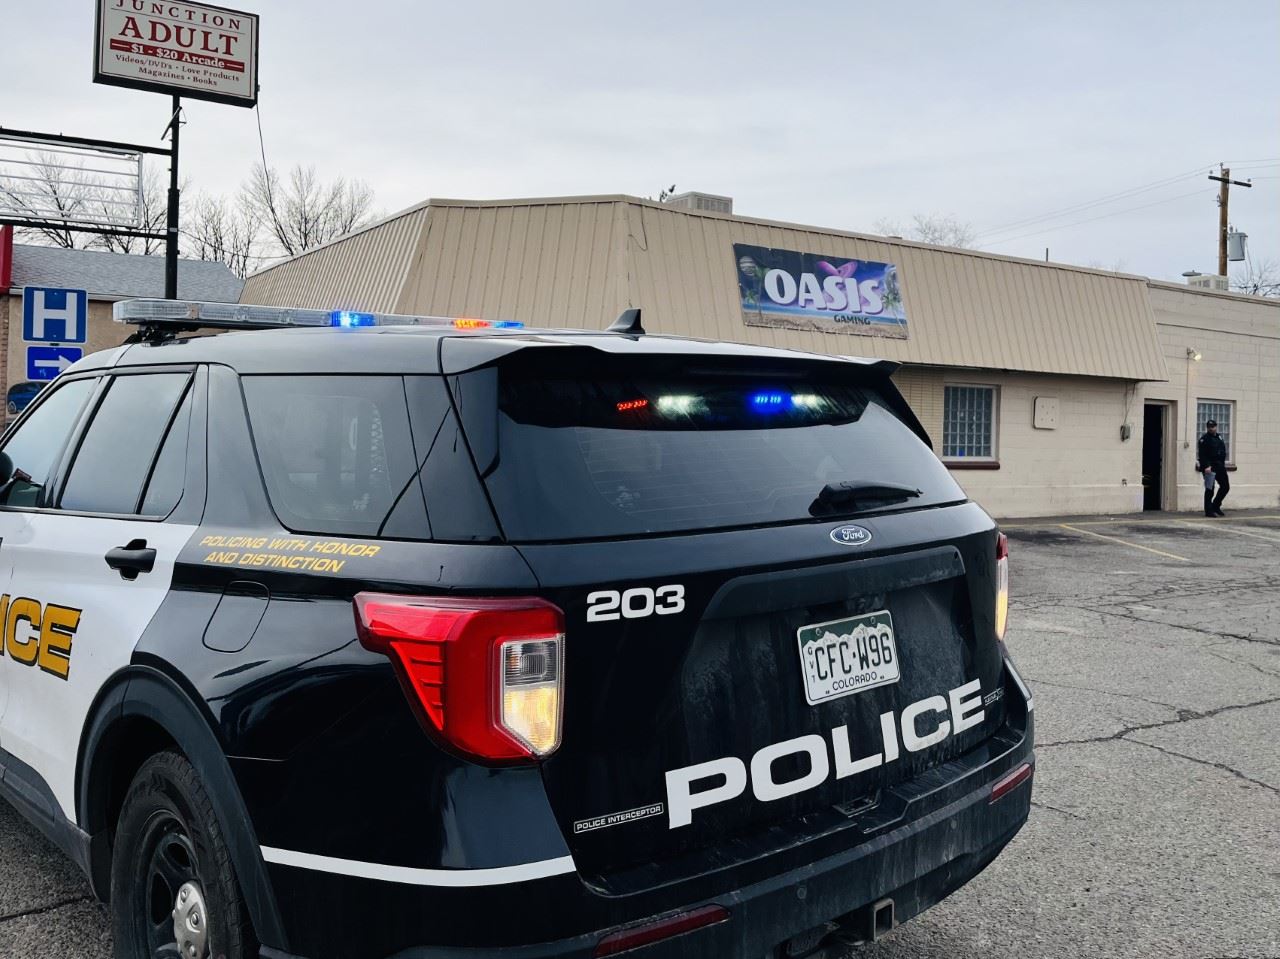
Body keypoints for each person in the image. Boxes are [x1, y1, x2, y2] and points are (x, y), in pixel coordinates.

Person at [1197, 419, 1229, 517]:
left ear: (1216, 427)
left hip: (1219, 466)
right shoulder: (1204, 439)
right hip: (1209, 467)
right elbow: (1202, 455)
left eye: (1213, 426)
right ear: (1207, 428)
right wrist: (1206, 466)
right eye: (1209, 427)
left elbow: (1222, 451)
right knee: (1210, 489)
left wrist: (1223, 465)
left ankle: (1215, 505)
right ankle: (1208, 511)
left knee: (1225, 487)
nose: (1211, 428)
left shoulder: (1219, 437)